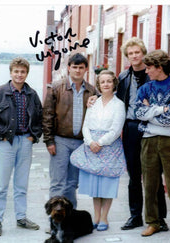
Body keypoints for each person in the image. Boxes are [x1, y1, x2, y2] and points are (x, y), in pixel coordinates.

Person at [135, 49, 170, 242]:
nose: (147, 71)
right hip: (148, 141)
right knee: (150, 184)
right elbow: (138, 113)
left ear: (159, 67)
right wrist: (161, 109)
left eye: (149, 67)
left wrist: (150, 112)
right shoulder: (144, 88)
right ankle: (153, 222)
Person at [0, 57, 43, 236]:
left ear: (26, 73)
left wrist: (34, 136)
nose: (19, 74)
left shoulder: (32, 94)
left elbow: (39, 117)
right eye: (16, 71)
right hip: (6, 143)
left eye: (22, 72)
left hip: (26, 141)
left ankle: (21, 218)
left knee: (21, 184)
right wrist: (1, 134)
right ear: (11, 72)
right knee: (1, 185)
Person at [117, 37, 168, 231]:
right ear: (127, 56)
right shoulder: (123, 77)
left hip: (152, 129)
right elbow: (115, 102)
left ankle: (159, 219)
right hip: (130, 128)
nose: (134, 56)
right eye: (130, 53)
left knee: (154, 174)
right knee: (134, 175)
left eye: (137, 52)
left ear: (143, 53)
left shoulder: (154, 75)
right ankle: (135, 216)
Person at [70, 70, 126, 231]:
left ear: (114, 84)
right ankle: (95, 216)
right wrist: (90, 142)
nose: (106, 84)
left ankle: (104, 217)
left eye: (109, 81)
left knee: (107, 183)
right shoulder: (93, 102)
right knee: (96, 184)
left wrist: (100, 142)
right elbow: (86, 124)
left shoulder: (119, 105)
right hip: (92, 145)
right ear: (99, 85)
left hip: (109, 146)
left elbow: (116, 129)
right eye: (103, 82)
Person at [42, 53, 97, 209]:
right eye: (74, 67)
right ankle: (54, 221)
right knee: (58, 182)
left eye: (81, 68)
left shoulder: (92, 91)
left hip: (81, 143)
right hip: (60, 141)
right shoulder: (56, 88)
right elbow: (47, 115)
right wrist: (49, 140)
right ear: (68, 68)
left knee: (72, 183)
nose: (77, 71)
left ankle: (70, 218)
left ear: (86, 69)